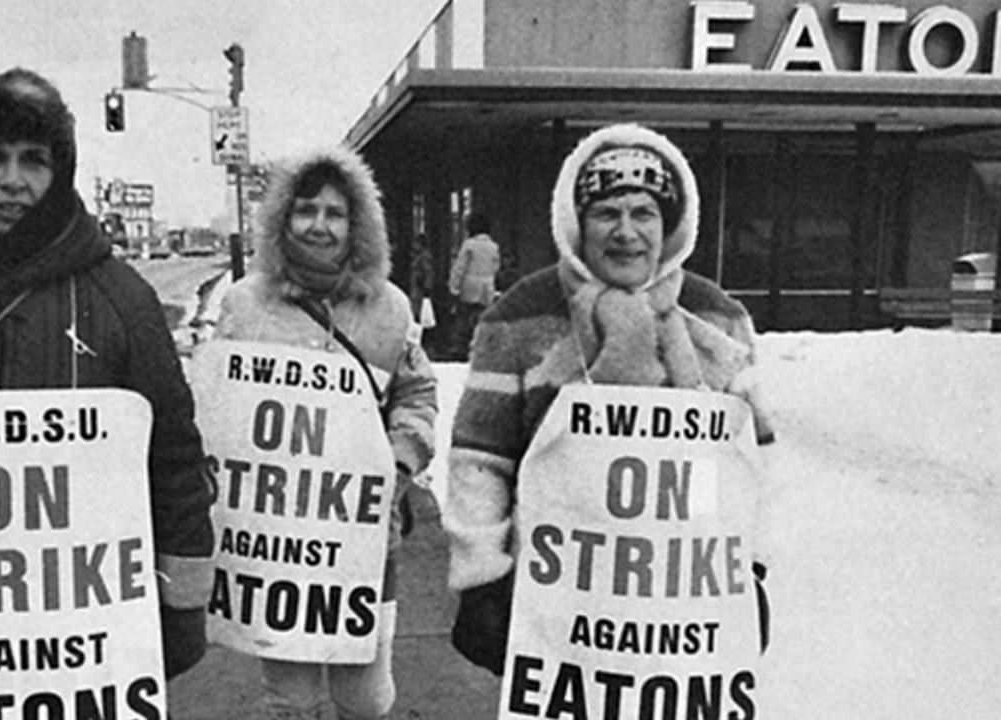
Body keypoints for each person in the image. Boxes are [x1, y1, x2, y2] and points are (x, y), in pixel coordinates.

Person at [0, 68, 216, 713]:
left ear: (62, 170)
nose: (12, 183)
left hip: (83, 650)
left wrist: (181, 603)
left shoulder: (121, 300)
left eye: (35, 160)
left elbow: (173, 458)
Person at [442, 123, 776, 675]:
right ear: (578, 223)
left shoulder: (719, 318)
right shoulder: (518, 317)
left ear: (668, 224)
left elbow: (755, 464)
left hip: (682, 612)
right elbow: (480, 460)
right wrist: (483, 578)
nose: (626, 232)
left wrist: (753, 570)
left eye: (643, 213)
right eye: (607, 213)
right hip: (555, 610)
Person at [214, 145, 437, 720]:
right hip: (274, 547)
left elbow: (417, 395)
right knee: (288, 700)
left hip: (365, 543)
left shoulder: (390, 309)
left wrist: (397, 465)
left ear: (357, 223)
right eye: (305, 210)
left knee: (366, 697)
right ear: (282, 219)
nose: (319, 225)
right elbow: (217, 409)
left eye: (335, 213)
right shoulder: (242, 305)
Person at [446, 212, 499, 359]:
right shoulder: (493, 247)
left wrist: (454, 287)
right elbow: (495, 267)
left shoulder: (469, 245)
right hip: (487, 287)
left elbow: (460, 268)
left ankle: (459, 348)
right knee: (481, 318)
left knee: (463, 318)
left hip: (469, 287)